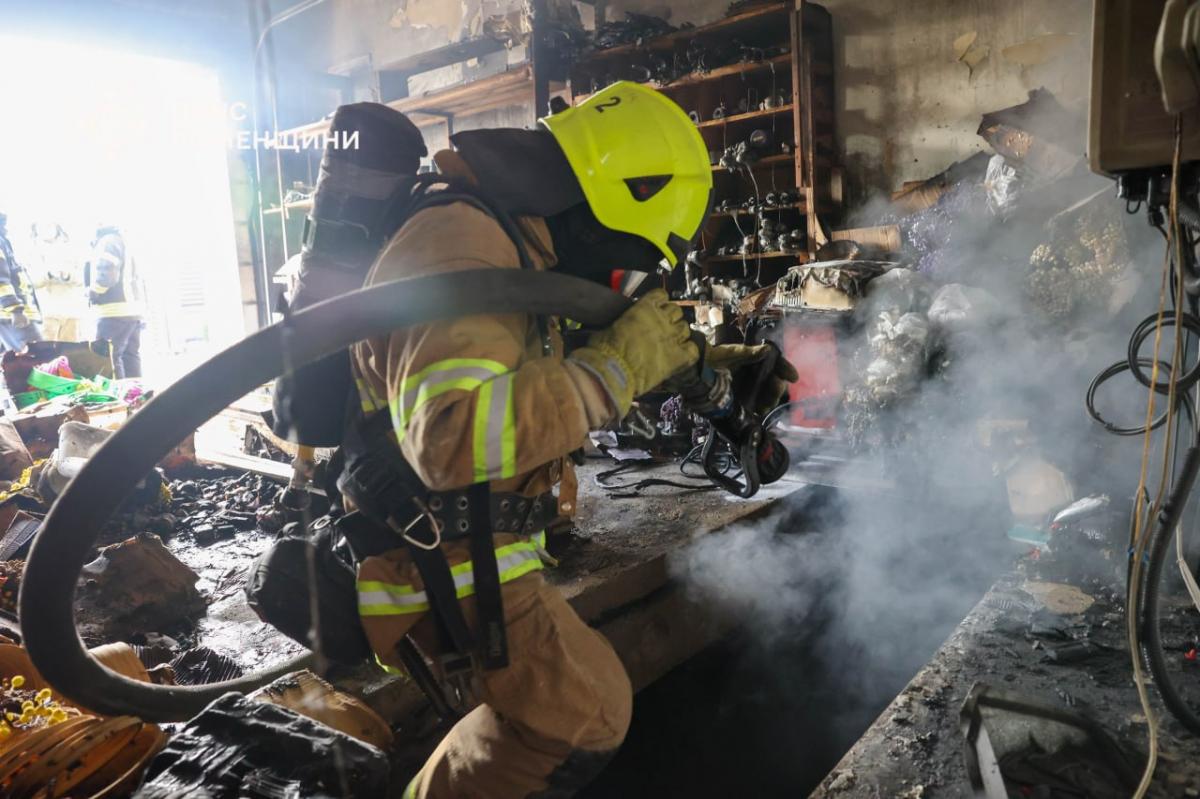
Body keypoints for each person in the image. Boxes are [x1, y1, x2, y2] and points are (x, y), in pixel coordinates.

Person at [248, 82, 795, 798]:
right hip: (431, 563)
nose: (626, 280)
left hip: (468, 550)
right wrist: (620, 364)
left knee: (565, 706)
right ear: (620, 200)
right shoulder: (464, 242)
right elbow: (447, 440)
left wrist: (692, 369)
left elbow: (532, 364)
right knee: (584, 709)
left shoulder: (510, 241)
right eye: (637, 257)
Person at [84, 224, 143, 379]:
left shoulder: (108, 241)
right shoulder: (122, 241)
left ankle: (121, 399)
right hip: (131, 311)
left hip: (113, 312)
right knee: (130, 357)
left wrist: (94, 290)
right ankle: (139, 399)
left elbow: (107, 268)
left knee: (108, 359)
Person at [0, 212, 44, 352]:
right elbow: (1, 280)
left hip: (12, 315)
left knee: (19, 365)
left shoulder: (3, 240)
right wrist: (15, 310)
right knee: (38, 360)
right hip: (13, 316)